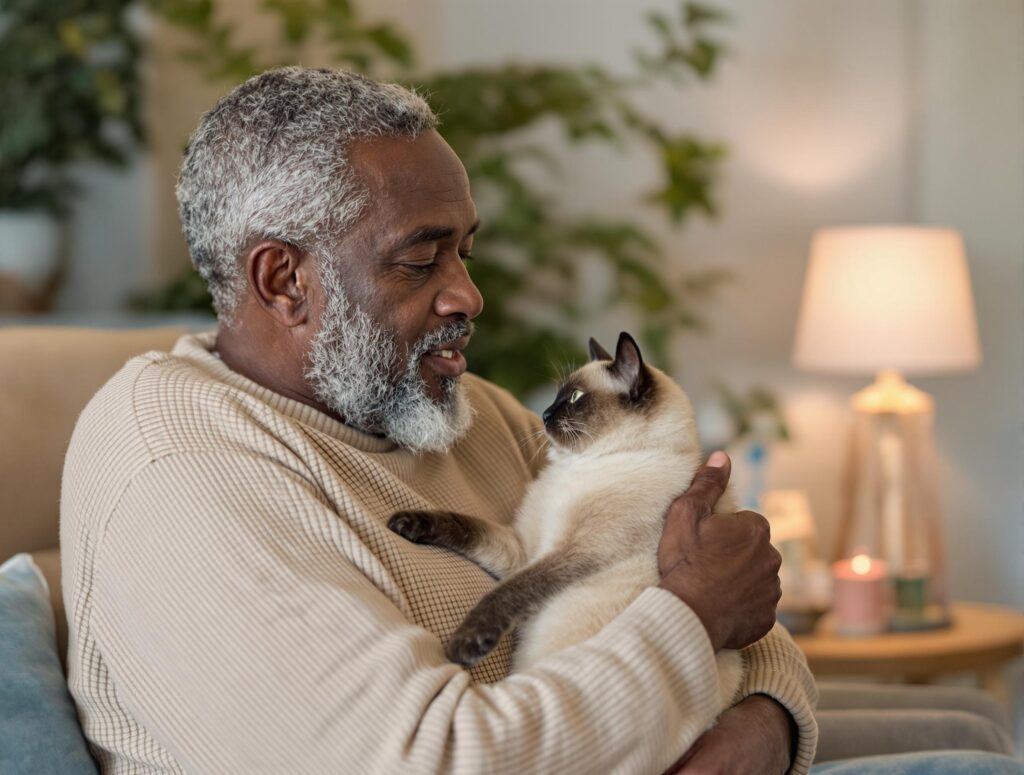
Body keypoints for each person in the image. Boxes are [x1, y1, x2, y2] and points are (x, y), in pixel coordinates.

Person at [61, 66, 819, 774]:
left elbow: (742, 614)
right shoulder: (176, 467)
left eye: (464, 252)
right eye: (422, 261)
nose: (469, 296)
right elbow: (428, 757)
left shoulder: (473, 415)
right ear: (284, 281)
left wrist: (763, 729)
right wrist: (693, 618)